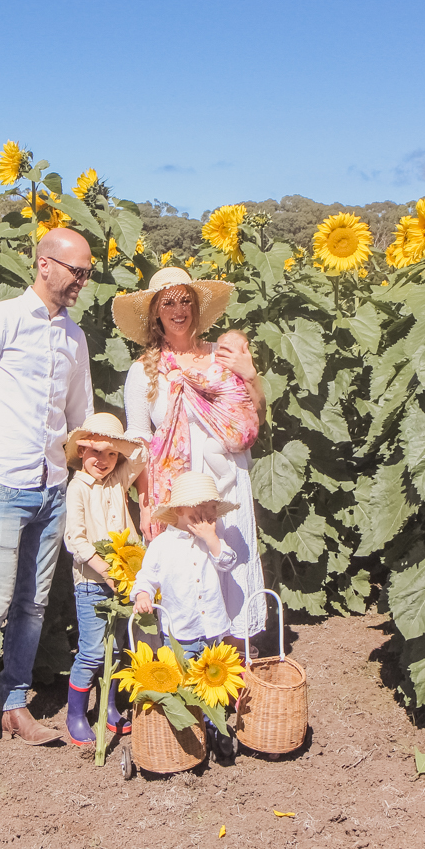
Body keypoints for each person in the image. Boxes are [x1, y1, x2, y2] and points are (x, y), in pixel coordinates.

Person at [0, 227, 94, 775]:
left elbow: (80, 420)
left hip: (52, 487)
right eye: (77, 271)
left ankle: (13, 705)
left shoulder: (74, 339)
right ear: (45, 265)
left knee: (31, 607)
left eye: (88, 273)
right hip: (1, 486)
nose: (83, 282)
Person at [113, 266, 268, 643]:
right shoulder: (143, 372)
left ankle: (234, 662)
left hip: (227, 480)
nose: (178, 309)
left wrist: (251, 375)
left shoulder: (223, 355)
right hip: (178, 488)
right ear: (155, 313)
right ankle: (192, 666)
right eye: (168, 302)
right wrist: (148, 502)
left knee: (231, 557)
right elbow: (140, 442)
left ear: (197, 307)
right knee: (187, 571)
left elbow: (254, 416)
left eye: (185, 300)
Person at [129, 471, 242, 759]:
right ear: (178, 511)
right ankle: (191, 732)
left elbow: (227, 561)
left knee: (213, 683)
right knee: (184, 685)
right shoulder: (162, 546)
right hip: (181, 631)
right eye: (198, 511)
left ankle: (215, 726)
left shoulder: (211, 541)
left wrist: (212, 538)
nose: (205, 518)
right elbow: (146, 577)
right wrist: (142, 595)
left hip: (213, 626)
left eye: (210, 511)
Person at [59, 412, 146, 746]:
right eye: (95, 452)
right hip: (92, 582)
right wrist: (106, 571)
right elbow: (75, 540)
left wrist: (117, 444)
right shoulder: (77, 488)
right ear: (81, 451)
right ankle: (76, 714)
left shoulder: (118, 479)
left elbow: (141, 454)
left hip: (124, 579)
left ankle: (107, 707)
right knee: (93, 651)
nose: (104, 460)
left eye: (112, 454)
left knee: (116, 646)